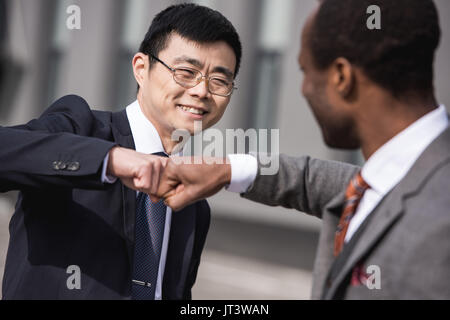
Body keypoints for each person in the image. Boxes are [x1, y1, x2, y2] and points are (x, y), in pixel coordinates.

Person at [157, 0, 450, 299]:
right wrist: (227, 169)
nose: (304, 88)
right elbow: (318, 182)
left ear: (341, 78)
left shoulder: (438, 224)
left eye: (305, 71)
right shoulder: (406, 179)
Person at [1, 3, 241, 299]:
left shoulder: (192, 205)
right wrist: (110, 159)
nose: (202, 91)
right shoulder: (80, 127)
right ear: (142, 69)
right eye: (186, 72)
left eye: (219, 80)